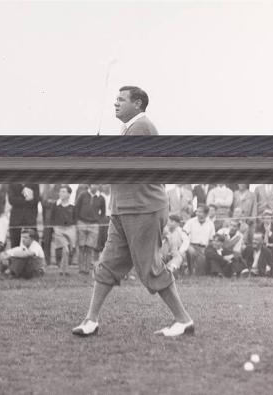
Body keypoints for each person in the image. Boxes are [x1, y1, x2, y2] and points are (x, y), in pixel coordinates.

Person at [72, 86, 193, 338]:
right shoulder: (130, 129)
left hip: (143, 208)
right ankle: (91, 319)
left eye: (121, 99)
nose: (115, 103)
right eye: (115, 99)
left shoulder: (141, 127)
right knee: (107, 265)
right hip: (124, 209)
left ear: (137, 103)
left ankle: (183, 320)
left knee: (150, 268)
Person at [75, 184, 105, 275]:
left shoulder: (101, 198)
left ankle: (87, 270)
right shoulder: (82, 195)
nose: (94, 186)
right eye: (93, 184)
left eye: (96, 184)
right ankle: (81, 269)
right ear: (89, 185)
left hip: (94, 225)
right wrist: (78, 221)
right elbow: (76, 208)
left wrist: (97, 220)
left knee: (89, 248)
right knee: (81, 247)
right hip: (82, 223)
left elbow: (103, 213)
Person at [50, 185, 76, 276]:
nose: (61, 193)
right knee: (66, 248)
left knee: (68, 250)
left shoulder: (73, 205)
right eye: (60, 191)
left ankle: (64, 271)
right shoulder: (56, 204)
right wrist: (55, 228)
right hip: (59, 230)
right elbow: (52, 217)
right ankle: (63, 270)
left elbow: (75, 218)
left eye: (63, 191)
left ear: (69, 194)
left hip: (70, 229)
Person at [183, 204, 216, 276]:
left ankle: (198, 273)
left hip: (204, 248)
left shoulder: (210, 224)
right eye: (197, 211)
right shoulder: (190, 222)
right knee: (190, 252)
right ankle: (190, 271)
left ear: (206, 214)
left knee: (201, 270)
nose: (197, 213)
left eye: (200, 212)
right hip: (192, 246)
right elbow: (184, 233)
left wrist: (207, 249)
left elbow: (212, 239)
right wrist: (187, 244)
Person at [8, 183, 40, 247]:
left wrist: (21, 200)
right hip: (16, 219)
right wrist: (27, 199)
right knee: (14, 245)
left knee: (32, 244)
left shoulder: (34, 183)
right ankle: (15, 257)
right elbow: (11, 200)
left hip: (30, 218)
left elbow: (36, 200)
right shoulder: (12, 183)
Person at [40, 184, 62, 266]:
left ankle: (58, 261)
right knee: (46, 240)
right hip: (47, 219)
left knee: (59, 240)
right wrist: (53, 202)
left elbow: (61, 201)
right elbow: (43, 201)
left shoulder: (60, 186)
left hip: (58, 218)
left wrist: (51, 202)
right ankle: (47, 260)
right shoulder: (45, 186)